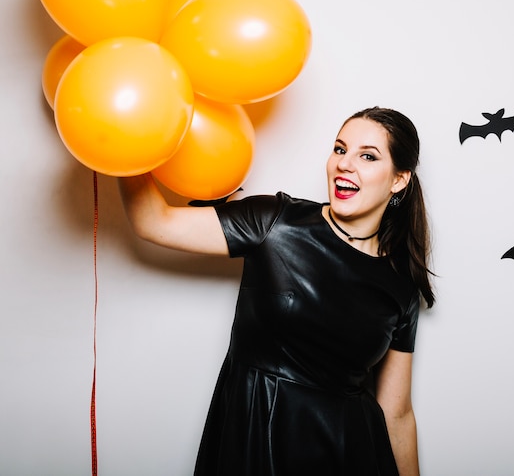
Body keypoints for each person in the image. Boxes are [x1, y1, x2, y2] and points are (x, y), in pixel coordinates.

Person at [118, 106, 435, 476]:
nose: (345, 164)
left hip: (347, 449)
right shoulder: (275, 221)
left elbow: (396, 413)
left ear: (399, 179)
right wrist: (122, 135)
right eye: (339, 149)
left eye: (367, 156)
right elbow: (154, 221)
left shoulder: (401, 287)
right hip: (256, 432)